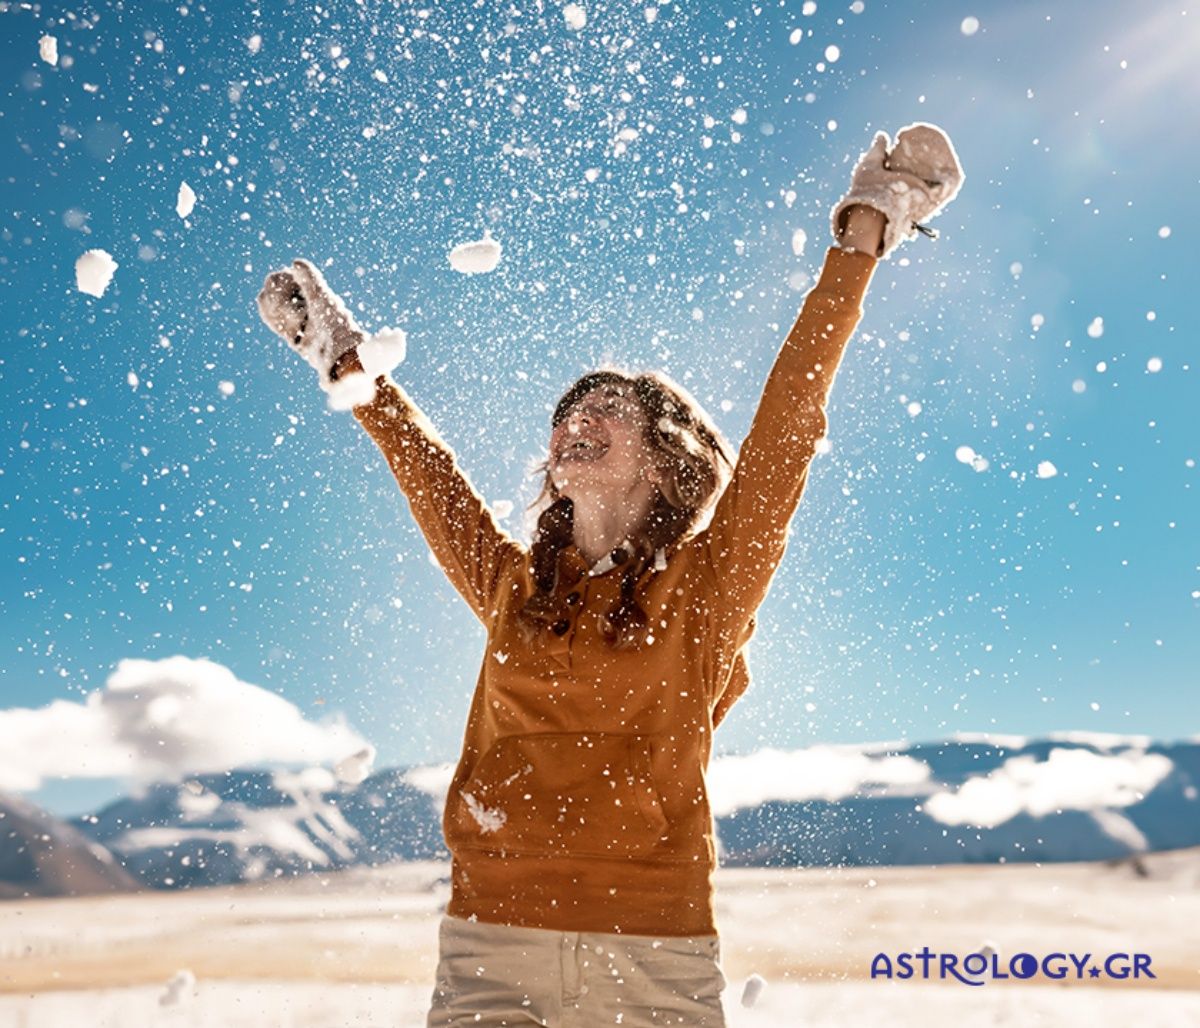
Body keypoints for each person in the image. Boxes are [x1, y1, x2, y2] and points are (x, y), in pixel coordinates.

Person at [257, 124, 964, 1027]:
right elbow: (433, 485)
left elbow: (790, 425)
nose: (575, 419)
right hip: (487, 948)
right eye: (567, 412)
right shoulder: (513, 586)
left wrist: (865, 230)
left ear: (664, 463)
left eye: (609, 409)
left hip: (654, 959)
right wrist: (352, 366)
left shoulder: (710, 591)